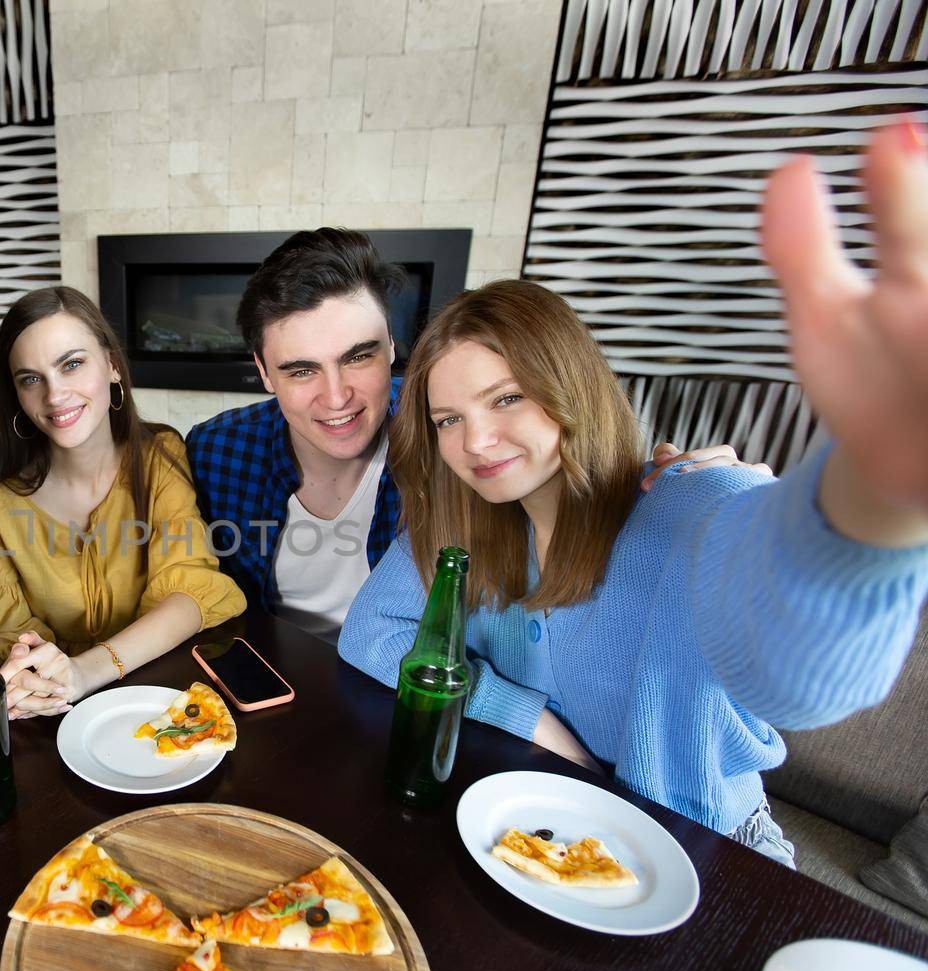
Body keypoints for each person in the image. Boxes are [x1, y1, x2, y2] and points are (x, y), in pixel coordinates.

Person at [339, 122, 928, 865]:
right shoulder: (468, 517)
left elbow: (799, 680)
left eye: (507, 398)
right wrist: (527, 718)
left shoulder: (692, 501)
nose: (474, 442)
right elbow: (370, 633)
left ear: (570, 387)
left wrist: (874, 497)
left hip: (711, 852)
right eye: (449, 418)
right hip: (551, 829)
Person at [186, 228, 764, 642]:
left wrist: (695, 491)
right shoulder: (215, 451)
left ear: (392, 348)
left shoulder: (454, 449)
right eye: (301, 370)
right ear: (263, 373)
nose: (336, 397)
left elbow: (570, 458)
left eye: (359, 357)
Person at [0, 286, 246, 717]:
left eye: (71, 364)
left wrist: (85, 670)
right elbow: (9, 641)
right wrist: (48, 679)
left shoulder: (160, 456)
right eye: (31, 379)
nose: (54, 396)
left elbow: (190, 590)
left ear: (111, 365)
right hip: (49, 709)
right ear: (15, 394)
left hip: (159, 685)